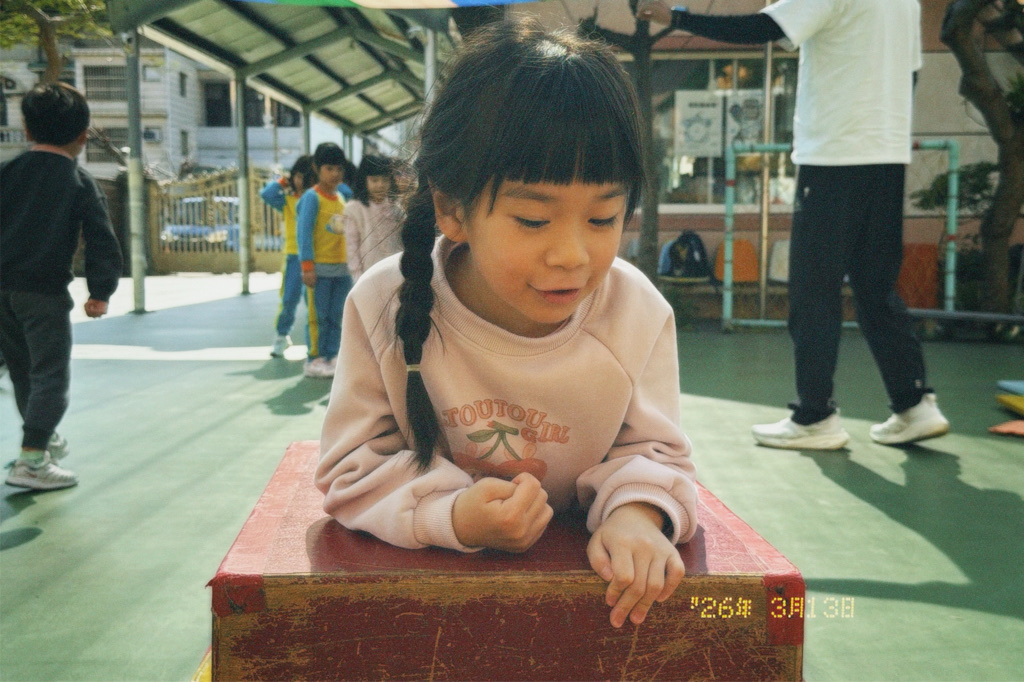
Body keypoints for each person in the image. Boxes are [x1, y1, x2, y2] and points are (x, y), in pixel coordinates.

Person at [315, 19, 698, 630]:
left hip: (581, 612)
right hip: (424, 611)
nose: (571, 254)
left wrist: (636, 516)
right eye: (533, 220)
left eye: (603, 218)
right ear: (451, 209)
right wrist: (451, 515)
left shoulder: (636, 314)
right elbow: (354, 465)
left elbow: (653, 453)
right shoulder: (384, 303)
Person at [637, 0, 950, 449]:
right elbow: (911, 75)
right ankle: (914, 403)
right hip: (886, 156)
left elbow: (763, 28)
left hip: (834, 158)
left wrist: (677, 17)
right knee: (875, 288)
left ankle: (815, 416)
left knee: (813, 290)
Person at [0, 82, 122, 490]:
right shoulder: (78, 180)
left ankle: (43, 438)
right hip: (43, 294)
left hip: (2, 291)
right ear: (83, 136)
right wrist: (100, 291)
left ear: (27, 129)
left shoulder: (6, 173)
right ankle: (32, 460)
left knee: (23, 372)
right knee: (50, 376)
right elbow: (101, 239)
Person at [297, 142, 351, 379]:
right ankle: (314, 358)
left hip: (342, 271)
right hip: (318, 271)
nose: (335, 174)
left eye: (339, 169)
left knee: (337, 315)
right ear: (316, 168)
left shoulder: (341, 197)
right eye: (329, 168)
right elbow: (304, 233)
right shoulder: (312, 198)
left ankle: (332, 355)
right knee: (318, 317)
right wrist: (307, 267)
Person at [261, 154, 316, 358]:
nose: (301, 181)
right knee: (289, 299)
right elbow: (267, 194)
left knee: (314, 304)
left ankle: (315, 344)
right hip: (294, 256)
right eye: (298, 176)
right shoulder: (287, 199)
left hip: (316, 257)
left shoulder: (316, 198)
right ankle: (281, 336)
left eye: (306, 177)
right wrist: (284, 180)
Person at [343, 154, 403, 282]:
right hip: (367, 275)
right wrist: (358, 278)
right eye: (374, 180)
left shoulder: (396, 207)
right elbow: (352, 247)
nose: (380, 185)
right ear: (364, 181)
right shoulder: (354, 209)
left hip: (394, 272)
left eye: (385, 180)